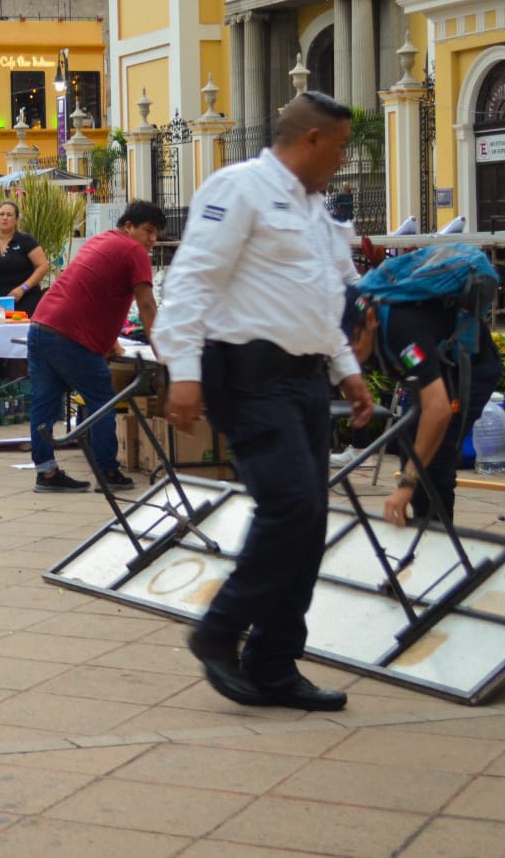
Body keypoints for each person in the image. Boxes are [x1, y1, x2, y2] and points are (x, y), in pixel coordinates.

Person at [154, 91, 374, 713]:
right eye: (339, 146)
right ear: (310, 140)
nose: (342, 158)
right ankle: (220, 629)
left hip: (303, 381)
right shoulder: (239, 188)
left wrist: (346, 370)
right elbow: (193, 280)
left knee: (308, 525)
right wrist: (185, 372)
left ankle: (275, 663)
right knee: (290, 507)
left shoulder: (315, 210)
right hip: (246, 378)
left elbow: (314, 299)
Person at [27, 201, 163, 494]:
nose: (152, 240)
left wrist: (109, 341)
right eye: (148, 231)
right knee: (102, 398)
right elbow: (148, 305)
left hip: (41, 326)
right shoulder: (133, 251)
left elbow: (93, 293)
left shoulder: (100, 240)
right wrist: (162, 350)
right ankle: (107, 471)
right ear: (129, 227)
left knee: (44, 403)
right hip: (68, 336)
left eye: (157, 234)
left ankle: (46, 473)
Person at [344, 287, 502, 529]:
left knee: (435, 461)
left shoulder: (401, 331)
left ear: (371, 320)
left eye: (354, 341)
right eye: (343, 348)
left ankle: (439, 544)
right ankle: (424, 532)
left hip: (470, 367)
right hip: (431, 366)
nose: (351, 353)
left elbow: (439, 409)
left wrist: (406, 484)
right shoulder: (359, 332)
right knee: (411, 448)